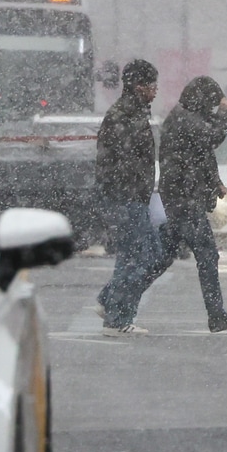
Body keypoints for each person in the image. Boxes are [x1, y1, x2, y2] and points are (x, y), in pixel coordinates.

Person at [152, 76, 227, 333]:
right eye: (212, 102)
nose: (214, 106)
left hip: (182, 197)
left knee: (161, 257)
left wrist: (214, 181)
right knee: (207, 255)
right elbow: (213, 138)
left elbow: (201, 154)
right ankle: (216, 315)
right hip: (184, 199)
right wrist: (225, 112)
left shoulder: (186, 116)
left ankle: (111, 298)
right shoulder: (186, 118)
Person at [95, 59, 162, 337]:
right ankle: (118, 314)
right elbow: (122, 160)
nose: (155, 91)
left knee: (136, 256)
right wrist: (133, 190)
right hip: (126, 198)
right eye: (152, 85)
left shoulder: (133, 112)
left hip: (130, 196)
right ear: (138, 86)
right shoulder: (125, 115)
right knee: (143, 256)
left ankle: (112, 304)